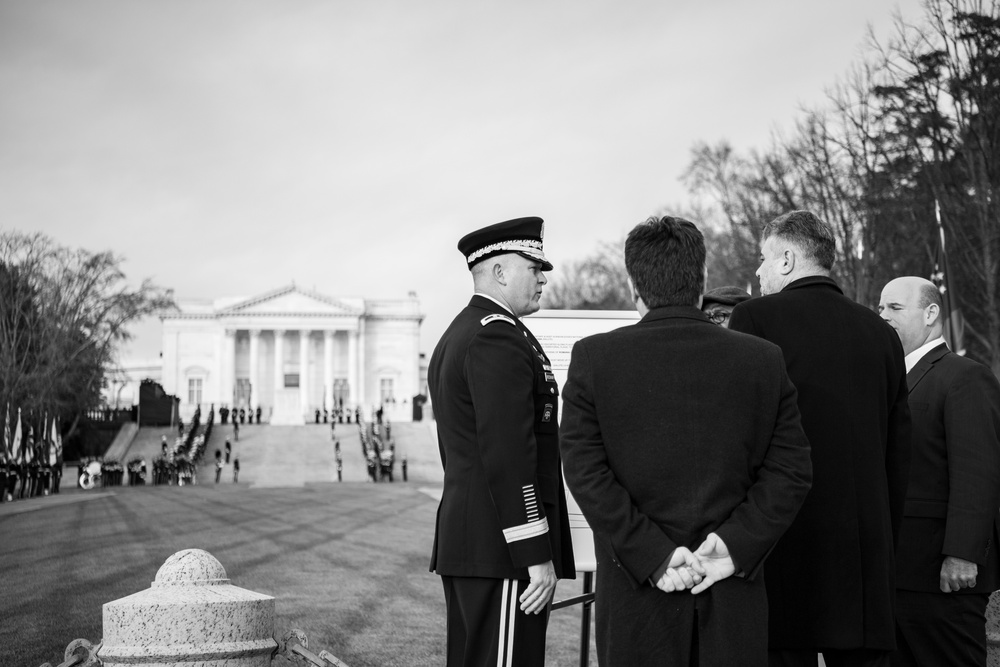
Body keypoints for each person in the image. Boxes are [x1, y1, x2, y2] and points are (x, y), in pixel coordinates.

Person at [560, 216, 812, 666]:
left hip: (638, 599)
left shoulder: (595, 358)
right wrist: (736, 544)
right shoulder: (762, 359)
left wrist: (652, 555)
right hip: (732, 596)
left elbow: (585, 471)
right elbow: (790, 471)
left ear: (634, 286)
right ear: (703, 282)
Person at [728, 210, 911, 667]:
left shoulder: (755, 318)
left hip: (785, 547)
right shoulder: (882, 334)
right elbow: (899, 452)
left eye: (764, 258)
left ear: (787, 260)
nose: (758, 271)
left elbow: (741, 437)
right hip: (864, 554)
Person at [428, 216, 575, 667]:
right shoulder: (496, 336)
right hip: (504, 549)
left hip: (481, 543)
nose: (543, 277)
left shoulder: (463, 331)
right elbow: (508, 455)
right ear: (500, 272)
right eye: (534, 267)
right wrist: (534, 553)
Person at [878, 277, 1000, 667]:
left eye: (895, 308)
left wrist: (962, 555)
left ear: (931, 313)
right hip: (895, 576)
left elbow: (978, 473)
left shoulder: (964, 376)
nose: (883, 317)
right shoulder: (889, 380)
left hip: (944, 578)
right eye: (880, 308)